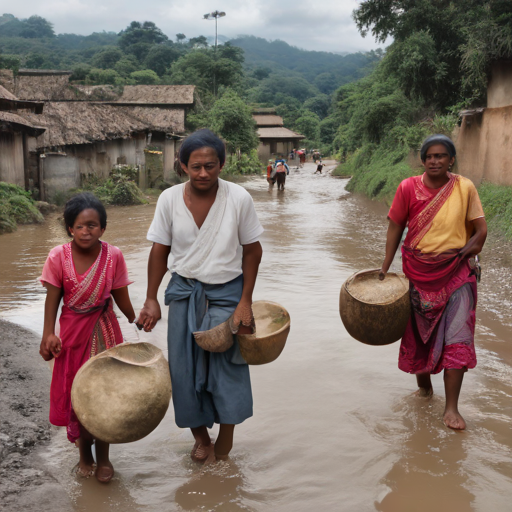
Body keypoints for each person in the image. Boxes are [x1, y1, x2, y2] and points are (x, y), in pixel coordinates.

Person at [138, 129, 264, 464]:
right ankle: (200, 437)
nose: (203, 173)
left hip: (228, 295)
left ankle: (224, 441)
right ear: (182, 166)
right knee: (182, 369)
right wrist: (151, 298)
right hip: (184, 292)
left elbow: (252, 252)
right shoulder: (168, 199)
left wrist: (245, 301)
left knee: (228, 369)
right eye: (195, 166)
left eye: (210, 165)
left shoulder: (238, 199)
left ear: (222, 164)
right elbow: (159, 252)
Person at [379, 134, 487, 430]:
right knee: (419, 337)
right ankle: (425, 389)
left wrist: (467, 252)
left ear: (451, 159)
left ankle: (451, 407)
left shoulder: (464, 187)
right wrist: (385, 267)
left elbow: (480, 230)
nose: (434, 161)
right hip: (417, 273)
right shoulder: (407, 188)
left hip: (457, 275)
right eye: (429, 156)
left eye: (441, 156)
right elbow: (395, 227)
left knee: (458, 338)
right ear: (422, 160)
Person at [39, 192, 136, 483]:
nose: (86, 231)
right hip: (71, 334)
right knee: (79, 396)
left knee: (104, 396)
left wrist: (135, 318)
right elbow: (52, 299)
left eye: (92, 225)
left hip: (105, 331)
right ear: (70, 228)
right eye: (79, 226)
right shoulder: (58, 256)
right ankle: (85, 456)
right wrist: (48, 333)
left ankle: (104, 458)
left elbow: (120, 294)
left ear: (103, 228)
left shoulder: (113, 255)